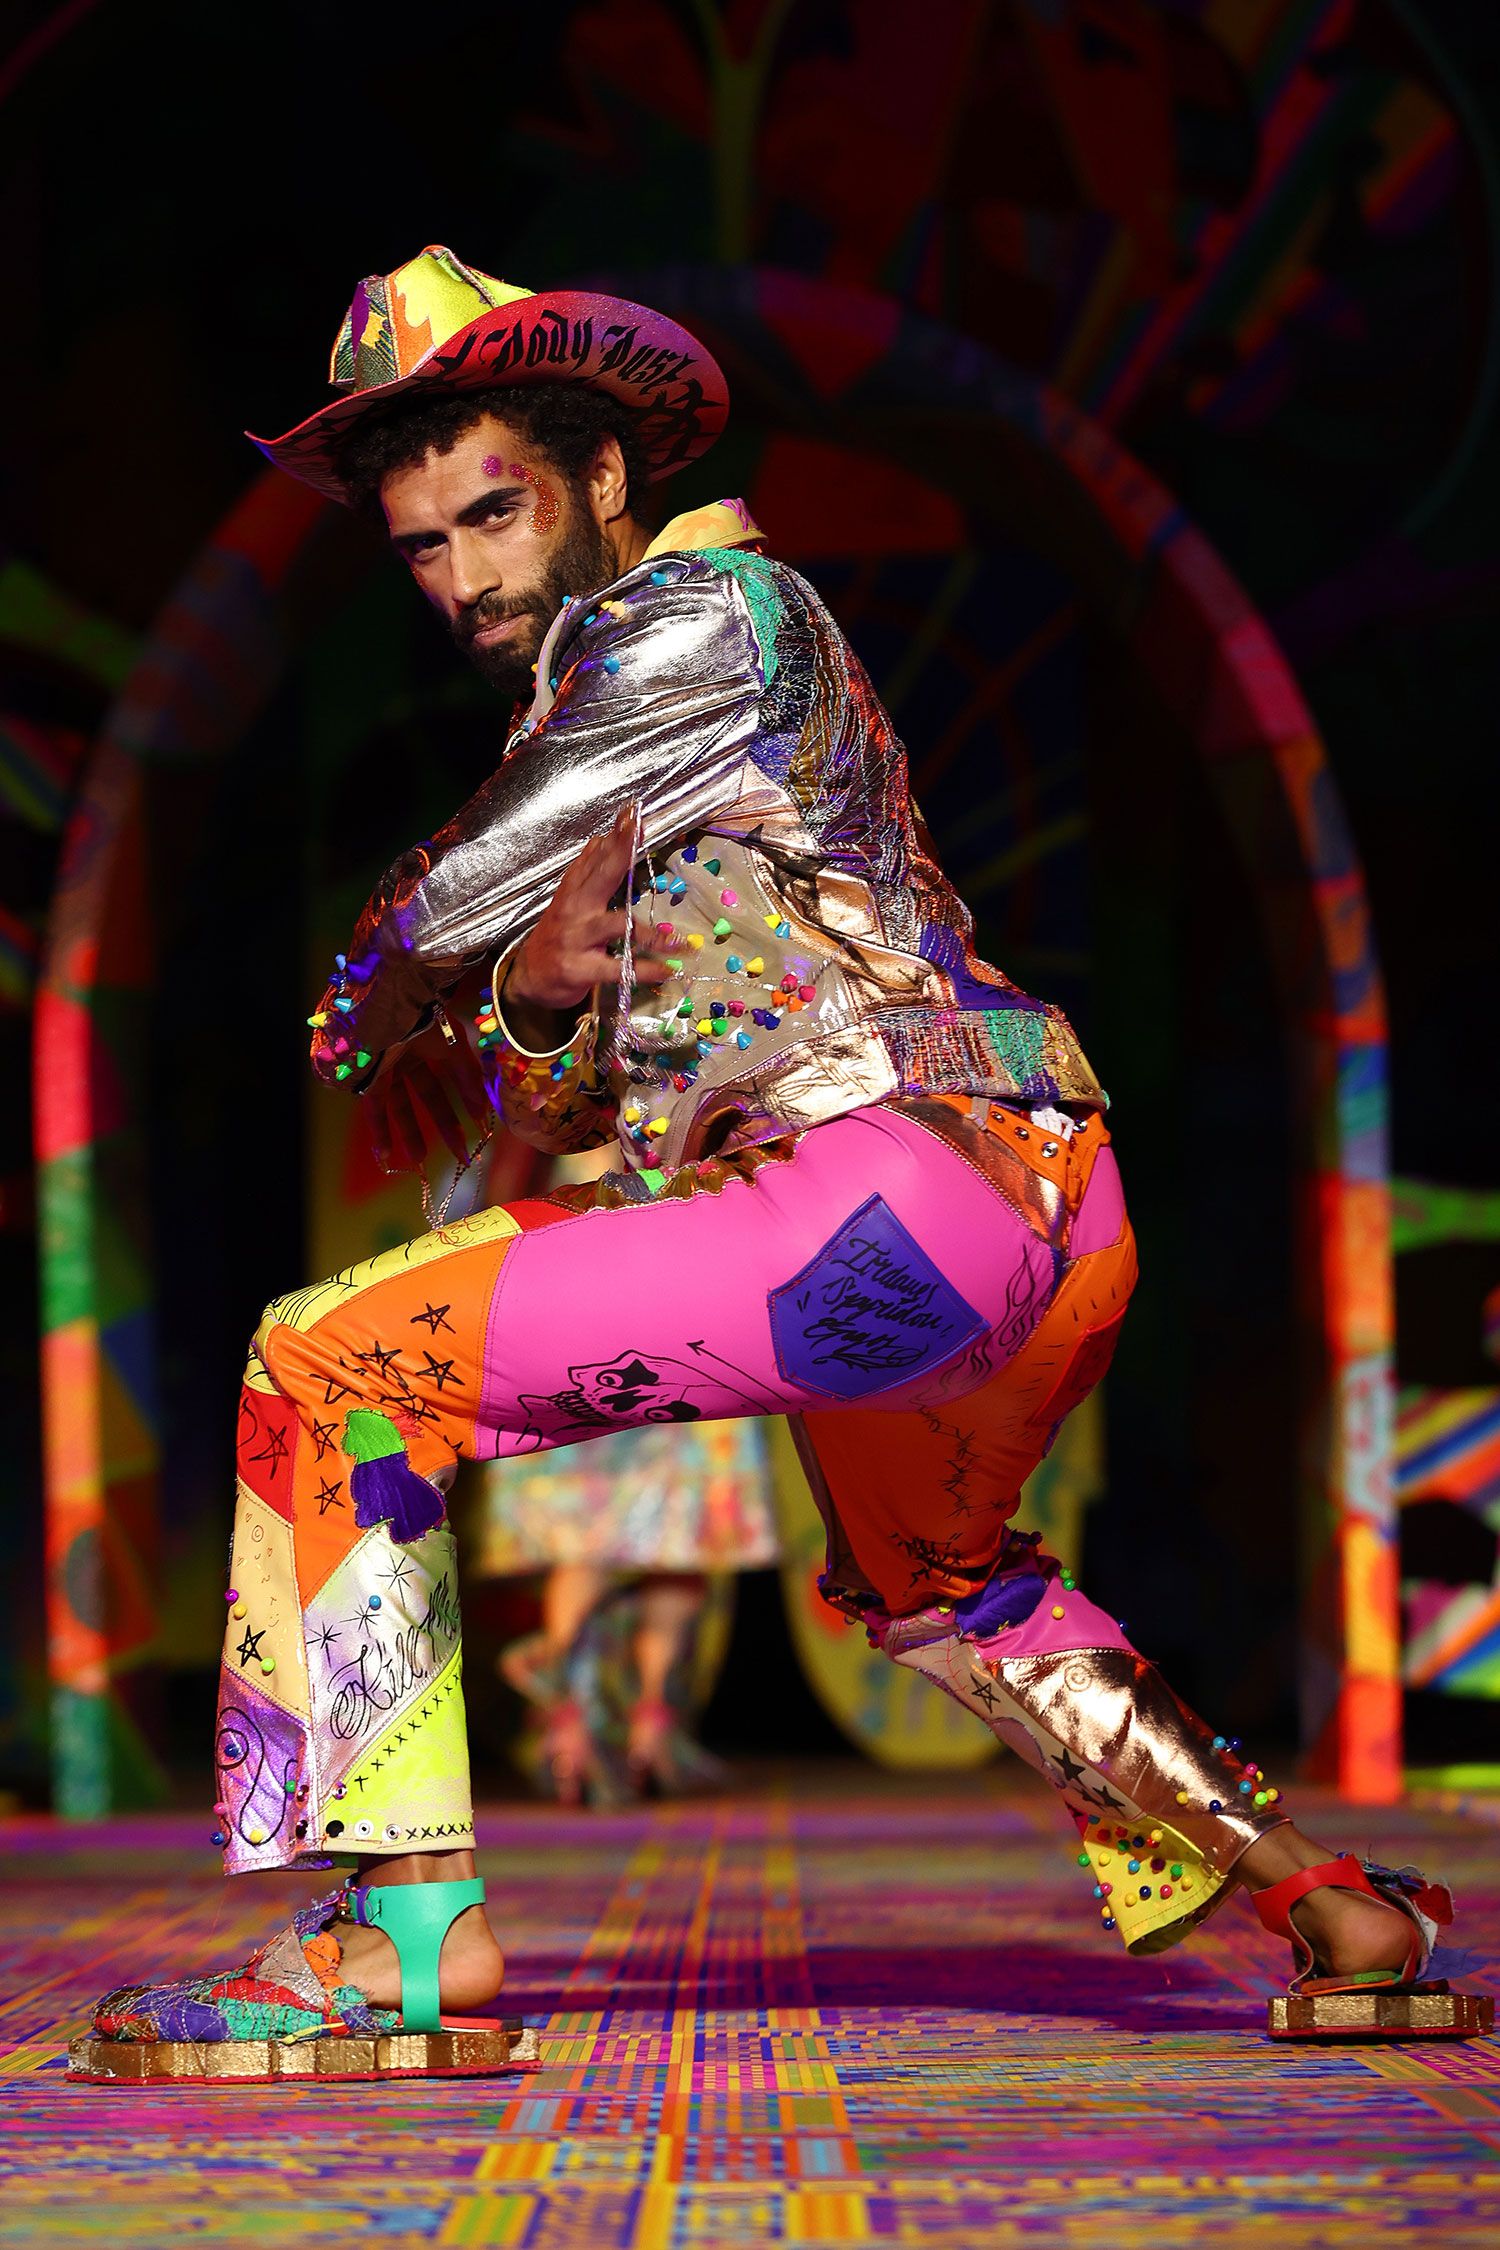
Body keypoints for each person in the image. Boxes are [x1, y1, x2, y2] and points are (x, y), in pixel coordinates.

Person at [72, 247, 1485, 2085]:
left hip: (895, 1199)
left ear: (599, 478)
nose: (467, 577)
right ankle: (1327, 1894)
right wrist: (532, 1010)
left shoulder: (698, 620)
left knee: (324, 1363)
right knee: (939, 1587)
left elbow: (455, 892)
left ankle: (390, 1935)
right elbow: (596, 1020)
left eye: (496, 511)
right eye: (423, 545)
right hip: (1029, 1202)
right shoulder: (651, 688)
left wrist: (381, 989)